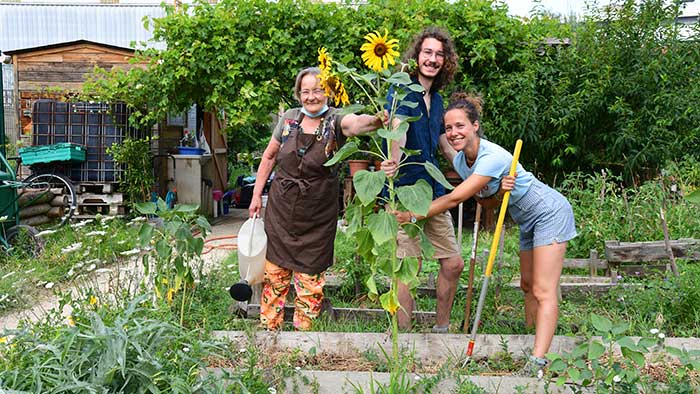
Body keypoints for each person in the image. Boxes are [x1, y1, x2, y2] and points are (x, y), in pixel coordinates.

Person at [394, 92, 578, 377]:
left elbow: (454, 200)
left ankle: (538, 361)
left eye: (460, 126)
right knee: (528, 284)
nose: (454, 133)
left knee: (543, 288)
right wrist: (501, 191)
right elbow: (486, 202)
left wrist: (411, 215)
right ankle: (531, 337)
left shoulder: (493, 157)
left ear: (475, 125)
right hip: (526, 219)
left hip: (549, 213)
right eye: (449, 128)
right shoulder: (462, 162)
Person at [249, 67, 384, 331]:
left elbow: (357, 124)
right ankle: (269, 333)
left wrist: (379, 119)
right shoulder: (288, 119)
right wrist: (256, 195)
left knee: (310, 281)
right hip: (281, 209)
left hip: (318, 212)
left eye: (318, 90)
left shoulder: (336, 120)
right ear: (299, 94)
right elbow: (269, 157)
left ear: (329, 93)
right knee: (275, 275)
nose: (312, 96)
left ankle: (303, 340)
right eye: (306, 91)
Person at [381, 26, 464, 333]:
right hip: (406, 188)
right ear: (416, 56)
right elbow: (399, 127)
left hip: (433, 188)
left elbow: (442, 143)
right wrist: (393, 160)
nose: (433, 59)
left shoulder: (438, 99)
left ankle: (441, 331)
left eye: (439, 54)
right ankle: (401, 337)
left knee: (453, 263)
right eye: (427, 52)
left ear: (445, 61)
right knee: (408, 266)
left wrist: (471, 171)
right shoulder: (402, 88)